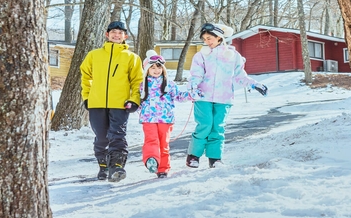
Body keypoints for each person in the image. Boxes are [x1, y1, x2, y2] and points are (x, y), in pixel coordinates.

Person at [186, 23, 268, 169]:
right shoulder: (201, 55)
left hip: (224, 98)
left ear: (219, 37)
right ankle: (193, 156)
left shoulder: (233, 56)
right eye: (205, 39)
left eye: (210, 38)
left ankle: (215, 159)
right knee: (204, 125)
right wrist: (193, 87)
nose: (207, 42)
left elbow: (239, 76)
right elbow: (196, 74)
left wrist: (254, 84)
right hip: (202, 96)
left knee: (217, 127)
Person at [80, 21, 143, 182]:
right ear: (107, 34)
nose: (117, 35)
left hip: (120, 104)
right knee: (101, 136)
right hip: (97, 103)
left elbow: (137, 81)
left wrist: (134, 99)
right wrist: (87, 97)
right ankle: (104, 166)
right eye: (114, 32)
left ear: (125, 36)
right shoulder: (94, 55)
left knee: (117, 135)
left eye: (120, 33)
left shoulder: (132, 58)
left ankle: (117, 166)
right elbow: (85, 77)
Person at [138, 50, 199, 178]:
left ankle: (163, 168)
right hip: (148, 119)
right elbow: (138, 101)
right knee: (151, 140)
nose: (156, 70)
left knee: (163, 144)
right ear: (147, 69)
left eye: (159, 67)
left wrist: (190, 95)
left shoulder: (169, 84)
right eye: (152, 67)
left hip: (165, 119)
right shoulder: (142, 85)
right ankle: (151, 160)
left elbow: (179, 96)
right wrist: (132, 106)